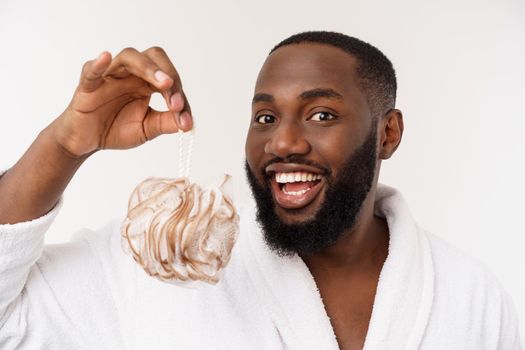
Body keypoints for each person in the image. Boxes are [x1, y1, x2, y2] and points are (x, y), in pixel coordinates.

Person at [0, 31, 520, 350]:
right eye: (265, 117)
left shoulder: (470, 298)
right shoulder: (165, 263)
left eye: (321, 114)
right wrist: (65, 145)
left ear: (388, 133)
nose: (283, 141)